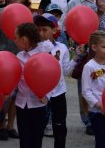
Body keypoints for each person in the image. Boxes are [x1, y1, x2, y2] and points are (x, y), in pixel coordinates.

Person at [0, 0, 30, 140]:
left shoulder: (27, 13)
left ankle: (11, 125)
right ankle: (2, 124)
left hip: (22, 59)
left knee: (18, 95)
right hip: (3, 60)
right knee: (5, 95)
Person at [65, 0, 105, 135]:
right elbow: (67, 27)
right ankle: (88, 118)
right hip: (86, 48)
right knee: (87, 83)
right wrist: (98, 13)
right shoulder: (74, 3)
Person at [34, 13, 77, 148]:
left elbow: (65, 71)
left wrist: (76, 58)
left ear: (54, 30)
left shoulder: (61, 48)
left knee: (60, 127)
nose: (41, 33)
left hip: (58, 93)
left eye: (45, 30)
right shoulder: (33, 49)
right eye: (38, 29)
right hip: (40, 96)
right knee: (38, 128)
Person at [14, 22, 53, 148]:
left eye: (16, 38)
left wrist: (47, 95)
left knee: (36, 140)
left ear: (24, 39)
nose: (14, 41)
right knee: (24, 140)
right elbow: (12, 79)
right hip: (21, 105)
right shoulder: (18, 57)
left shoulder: (43, 57)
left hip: (38, 105)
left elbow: (53, 78)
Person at [82, 30, 105, 148]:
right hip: (97, 112)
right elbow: (86, 91)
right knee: (101, 141)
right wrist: (99, 105)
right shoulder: (89, 67)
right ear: (94, 47)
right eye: (104, 47)